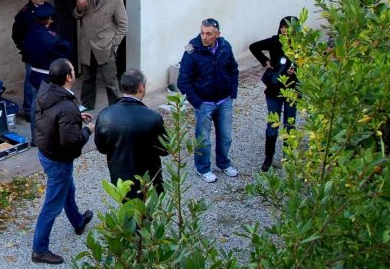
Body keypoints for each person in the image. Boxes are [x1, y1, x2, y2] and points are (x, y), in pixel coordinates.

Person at [31, 58, 95, 264]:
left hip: (46, 152)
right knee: (52, 206)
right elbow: (70, 142)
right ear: (68, 77)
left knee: (69, 189)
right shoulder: (66, 106)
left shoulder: (47, 92)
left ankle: (77, 222)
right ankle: (39, 250)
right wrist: (87, 130)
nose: (75, 73)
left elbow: (54, 118)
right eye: (73, 71)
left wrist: (77, 117)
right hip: (58, 159)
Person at [177, 18, 240, 183]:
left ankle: (224, 163)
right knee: (203, 139)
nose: (204, 37)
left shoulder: (225, 46)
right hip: (204, 103)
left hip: (224, 100)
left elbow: (233, 69)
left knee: (225, 136)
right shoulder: (191, 49)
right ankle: (203, 168)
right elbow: (183, 80)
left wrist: (232, 91)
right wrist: (197, 102)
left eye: (209, 34)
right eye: (202, 33)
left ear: (217, 34)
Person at [94, 69, 169, 199]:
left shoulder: (105, 115)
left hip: (121, 180)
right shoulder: (152, 117)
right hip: (148, 179)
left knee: (127, 211)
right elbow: (165, 148)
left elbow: (102, 147)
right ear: (141, 87)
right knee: (149, 213)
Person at [249, 16, 299, 172]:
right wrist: (266, 61)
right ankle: (268, 157)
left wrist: (296, 70)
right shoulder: (274, 41)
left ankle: (287, 158)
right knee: (272, 124)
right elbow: (254, 47)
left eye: (288, 27)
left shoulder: (300, 44)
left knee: (289, 125)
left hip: (292, 90)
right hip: (274, 89)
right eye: (283, 26)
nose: (285, 30)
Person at [73, 0, 128, 112]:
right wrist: (79, 8)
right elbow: (76, 15)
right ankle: (87, 104)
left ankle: (116, 109)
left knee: (110, 81)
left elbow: (123, 25)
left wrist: (113, 45)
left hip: (105, 47)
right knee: (87, 79)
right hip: (87, 46)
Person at [23, 3, 72, 146]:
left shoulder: (30, 34)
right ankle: (50, 139)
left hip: (34, 75)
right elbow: (65, 50)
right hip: (47, 78)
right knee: (51, 109)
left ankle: (35, 139)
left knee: (35, 107)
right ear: (48, 20)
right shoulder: (50, 38)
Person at [13, 0, 50, 120]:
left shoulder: (48, 8)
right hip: (32, 54)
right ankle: (29, 110)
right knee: (31, 82)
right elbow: (16, 34)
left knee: (47, 81)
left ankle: (45, 108)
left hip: (46, 53)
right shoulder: (24, 14)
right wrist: (24, 48)